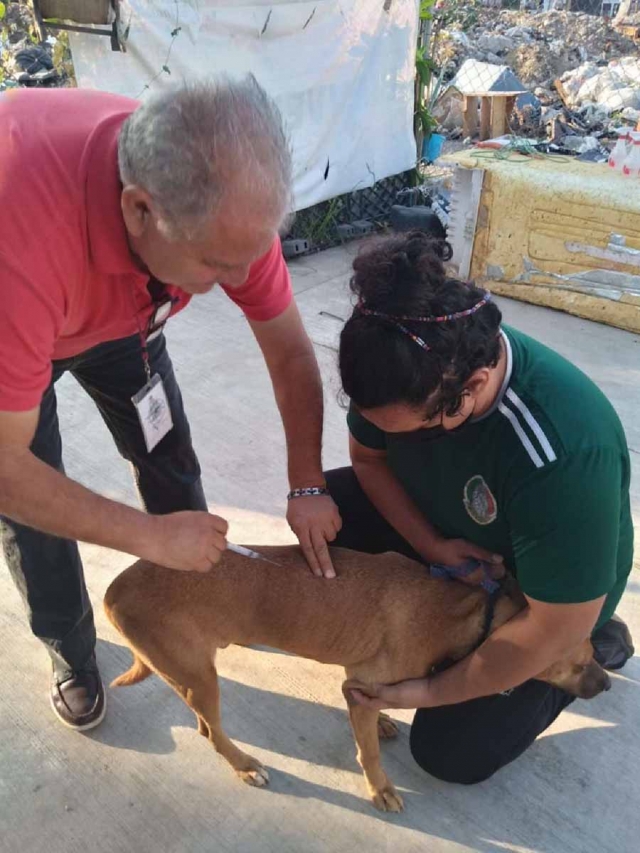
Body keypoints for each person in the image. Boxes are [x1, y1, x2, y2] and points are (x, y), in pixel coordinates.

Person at [0, 78, 341, 731]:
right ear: (139, 210)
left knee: (171, 463)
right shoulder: (20, 237)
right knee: (35, 514)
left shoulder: (226, 206)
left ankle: (186, 607)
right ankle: (70, 651)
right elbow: (6, 471)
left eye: (250, 258)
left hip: (124, 318)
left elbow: (292, 355)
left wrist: (307, 482)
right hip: (27, 323)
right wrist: (149, 537)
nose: (241, 285)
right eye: (217, 265)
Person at [325, 231, 634, 784]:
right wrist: (431, 545)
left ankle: (593, 644)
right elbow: (369, 462)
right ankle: (451, 608)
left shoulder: (562, 451)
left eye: (416, 432)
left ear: (473, 385)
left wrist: (424, 690)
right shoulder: (395, 363)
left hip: (547, 594)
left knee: (449, 754)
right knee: (329, 513)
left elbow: (544, 625)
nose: (389, 436)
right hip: (456, 537)